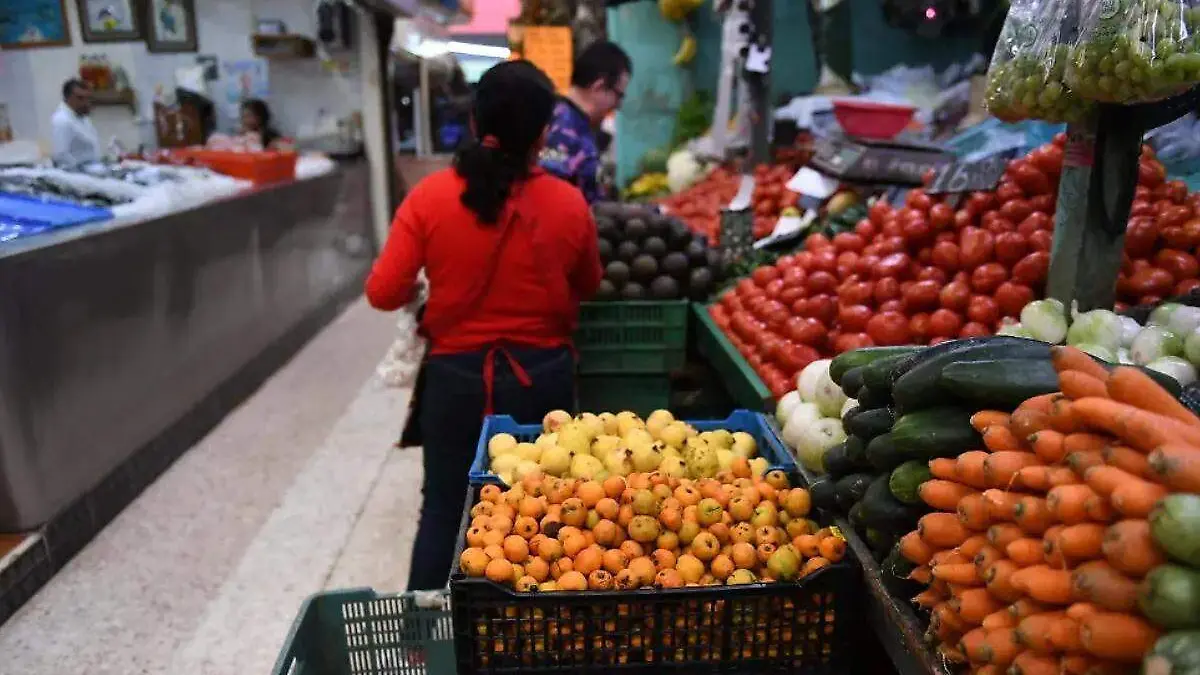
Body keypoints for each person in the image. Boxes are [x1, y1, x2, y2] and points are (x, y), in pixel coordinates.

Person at [365, 60, 604, 591]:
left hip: (455, 384)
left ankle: (426, 645)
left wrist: (425, 285)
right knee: (542, 518)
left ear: (474, 122)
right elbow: (588, 285)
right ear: (544, 133)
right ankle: (530, 641)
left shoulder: (428, 198)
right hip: (542, 383)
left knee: (446, 507)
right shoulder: (569, 205)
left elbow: (382, 292)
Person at [539, 41, 632, 203]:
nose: (618, 106)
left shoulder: (574, 122)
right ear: (599, 86)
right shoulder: (562, 129)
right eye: (619, 96)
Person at [50, 79, 101, 168]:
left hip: (92, 168)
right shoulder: (62, 120)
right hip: (75, 174)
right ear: (68, 98)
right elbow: (61, 156)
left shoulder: (83, 118)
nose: (86, 102)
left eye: (88, 98)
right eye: (80, 98)